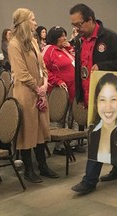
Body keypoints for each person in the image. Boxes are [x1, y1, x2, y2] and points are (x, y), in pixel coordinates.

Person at [69, 3, 117, 194]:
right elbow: (80, 69)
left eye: (79, 24)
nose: (76, 29)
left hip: (106, 95)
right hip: (88, 96)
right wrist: (80, 94)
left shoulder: (109, 37)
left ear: (90, 20)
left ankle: (89, 180)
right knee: (109, 135)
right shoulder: (80, 40)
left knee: (96, 137)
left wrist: (102, 65)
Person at [8, 8, 59, 183]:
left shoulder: (33, 41)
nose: (36, 23)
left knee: (41, 129)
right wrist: (38, 89)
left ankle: (43, 166)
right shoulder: (14, 44)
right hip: (26, 93)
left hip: (39, 92)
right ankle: (29, 169)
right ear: (23, 22)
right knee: (28, 131)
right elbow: (21, 73)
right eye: (33, 19)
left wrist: (44, 84)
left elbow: (42, 66)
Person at [41, 26, 78, 155]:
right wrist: (57, 80)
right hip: (59, 90)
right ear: (55, 37)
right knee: (61, 117)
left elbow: (76, 59)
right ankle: (59, 146)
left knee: (71, 117)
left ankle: (71, 142)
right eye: (62, 35)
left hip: (72, 88)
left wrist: (68, 48)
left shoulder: (65, 49)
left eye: (65, 34)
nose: (65, 37)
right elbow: (43, 69)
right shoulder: (49, 50)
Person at [88, 73, 117, 169]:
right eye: (102, 100)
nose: (108, 106)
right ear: (96, 101)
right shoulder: (92, 133)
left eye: (113, 99)